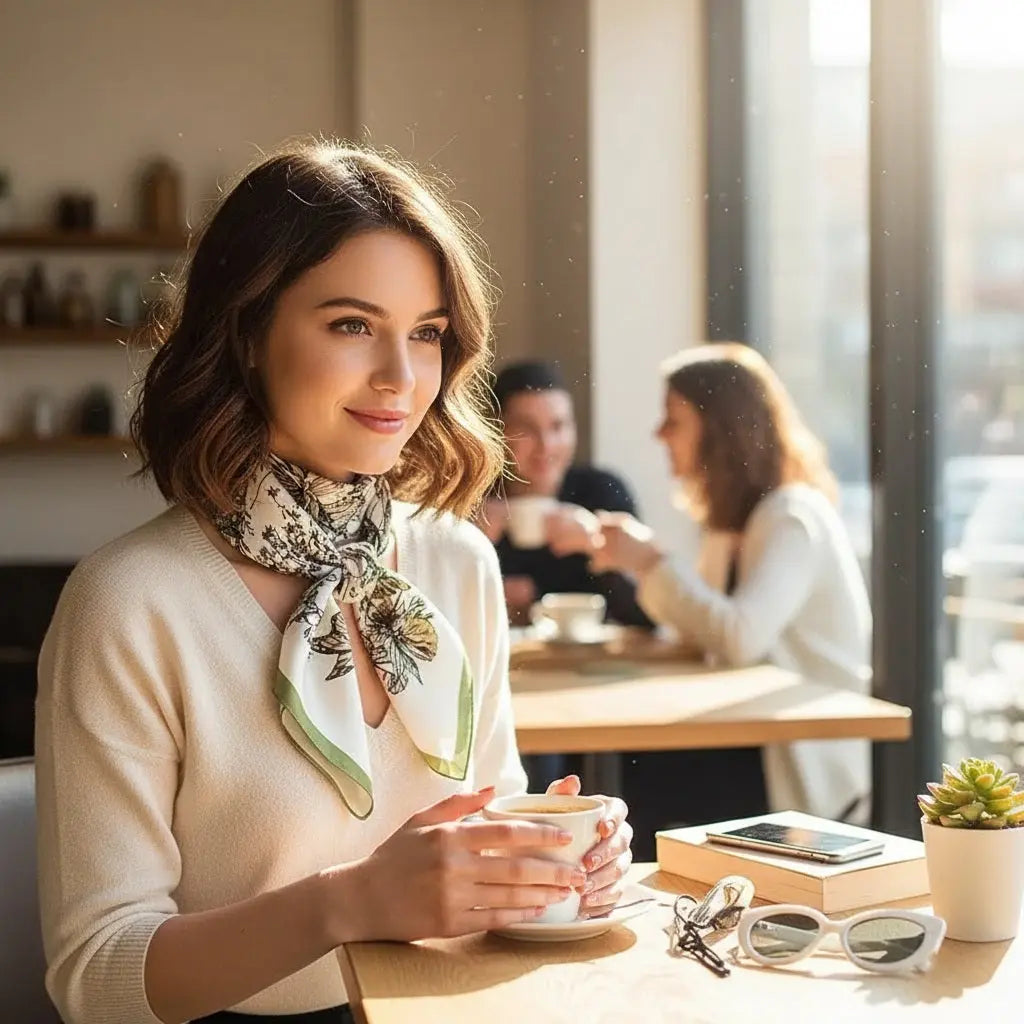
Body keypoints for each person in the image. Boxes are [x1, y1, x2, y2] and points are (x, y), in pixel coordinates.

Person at [34, 142, 633, 1024]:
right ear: (246, 334)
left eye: (426, 334)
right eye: (352, 324)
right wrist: (345, 903)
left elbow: (487, 823)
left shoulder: (455, 562)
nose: (401, 377)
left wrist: (551, 859)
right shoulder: (131, 602)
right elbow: (98, 976)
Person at [590, 343, 871, 856]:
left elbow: (738, 638)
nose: (659, 434)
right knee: (636, 766)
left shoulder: (791, 517)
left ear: (717, 429)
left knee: (639, 772)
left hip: (796, 761)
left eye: (672, 420)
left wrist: (648, 561)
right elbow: (706, 632)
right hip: (757, 743)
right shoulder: (735, 525)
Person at [477, 360, 652, 628]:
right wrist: (467, 542)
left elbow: (647, 616)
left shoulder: (601, 493)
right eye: (527, 429)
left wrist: (598, 545)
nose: (546, 445)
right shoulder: (469, 501)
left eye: (558, 427)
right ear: (495, 431)